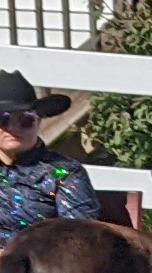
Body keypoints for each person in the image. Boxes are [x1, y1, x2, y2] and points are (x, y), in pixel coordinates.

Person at [0, 67, 98, 235]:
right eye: (3, 119)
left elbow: (79, 237)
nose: (14, 128)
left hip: (36, 259)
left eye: (25, 120)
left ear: (39, 122)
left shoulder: (64, 173)